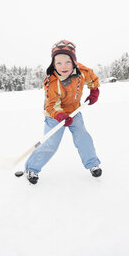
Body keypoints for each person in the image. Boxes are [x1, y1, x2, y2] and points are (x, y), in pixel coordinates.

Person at [25, 40, 102, 184]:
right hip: (55, 116)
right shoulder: (52, 82)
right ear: (53, 64)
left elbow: (93, 80)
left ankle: (93, 164)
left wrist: (94, 91)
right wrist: (60, 115)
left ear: (74, 61)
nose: (63, 66)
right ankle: (32, 168)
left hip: (75, 111)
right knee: (50, 144)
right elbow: (51, 105)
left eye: (67, 61)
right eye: (58, 63)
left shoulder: (82, 72)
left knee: (83, 137)